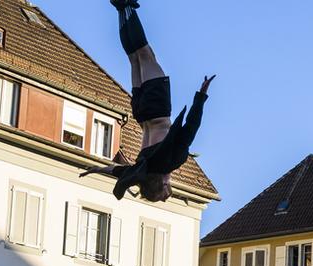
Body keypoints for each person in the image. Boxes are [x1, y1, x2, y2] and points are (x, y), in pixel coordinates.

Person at [82, 0, 214, 202]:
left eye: (168, 185)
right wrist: (97, 169)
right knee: (133, 57)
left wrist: (201, 97)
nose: (170, 180)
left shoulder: (170, 161)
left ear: (162, 182)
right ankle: (121, 9)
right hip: (141, 111)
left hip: (157, 107)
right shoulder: (141, 168)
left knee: (145, 53)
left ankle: (125, 5)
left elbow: (191, 127)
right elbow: (117, 171)